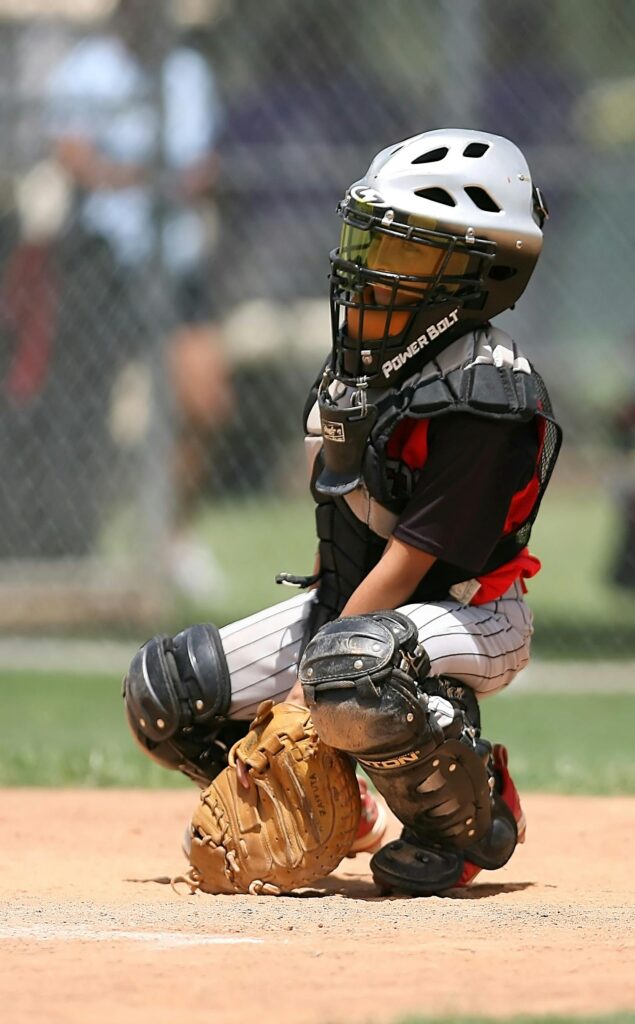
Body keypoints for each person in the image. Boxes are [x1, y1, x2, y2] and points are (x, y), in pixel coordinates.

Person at [123, 128, 562, 893]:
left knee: (348, 666)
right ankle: (340, 800)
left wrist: (302, 691)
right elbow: (343, 530)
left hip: (475, 612)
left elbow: (410, 564)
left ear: (478, 271)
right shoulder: (366, 359)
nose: (372, 269)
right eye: (373, 243)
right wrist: (312, 670)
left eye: (407, 254)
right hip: (359, 607)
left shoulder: (485, 395)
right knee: (166, 693)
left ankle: (473, 818)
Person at [45, 0, 233, 598]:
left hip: (174, 261)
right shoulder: (85, 69)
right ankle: (74, 540)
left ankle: (171, 538)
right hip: (104, 260)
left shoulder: (187, 70)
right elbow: (73, 156)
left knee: (206, 399)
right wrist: (143, 178)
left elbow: (201, 165)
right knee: (81, 415)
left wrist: (154, 177)